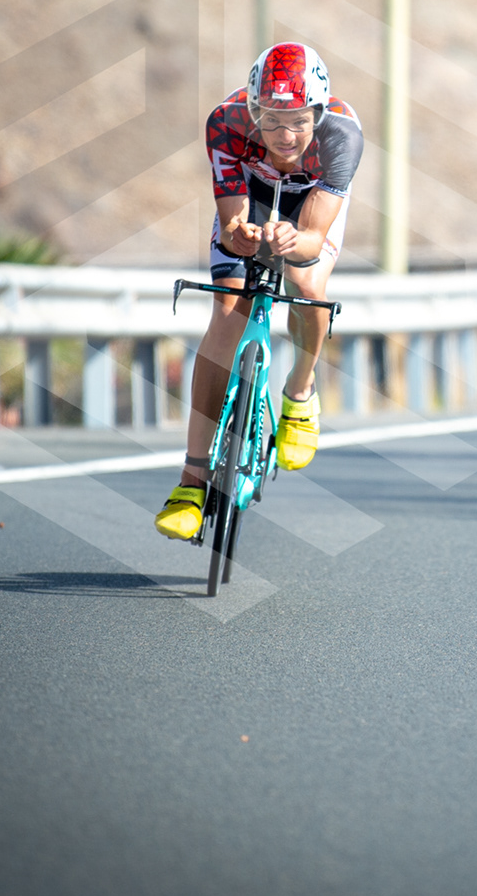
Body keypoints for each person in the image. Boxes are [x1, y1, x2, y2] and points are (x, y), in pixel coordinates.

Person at [155, 43, 362, 541]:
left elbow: (312, 238)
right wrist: (241, 235)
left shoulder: (341, 135)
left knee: (306, 283)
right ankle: (191, 482)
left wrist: (294, 240)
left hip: (308, 206)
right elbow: (231, 225)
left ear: (318, 113)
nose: (285, 136)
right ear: (252, 111)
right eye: (270, 121)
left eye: (298, 122)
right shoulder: (226, 123)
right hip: (253, 197)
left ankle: (300, 393)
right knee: (227, 317)